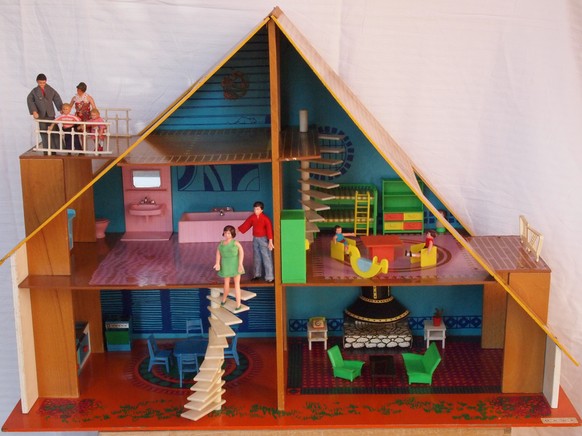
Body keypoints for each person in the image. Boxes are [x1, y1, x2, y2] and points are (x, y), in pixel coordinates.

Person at [238, 201, 274, 283]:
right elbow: (246, 224)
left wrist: (270, 241)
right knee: (256, 257)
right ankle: (257, 274)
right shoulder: (252, 217)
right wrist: (238, 230)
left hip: (263, 239)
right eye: (255, 209)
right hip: (255, 238)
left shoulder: (265, 219)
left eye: (257, 209)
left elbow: (269, 230)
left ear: (262, 210)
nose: (256, 211)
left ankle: (270, 276)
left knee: (266, 257)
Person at [27, 73, 63, 149]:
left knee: (55, 131)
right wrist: (34, 111)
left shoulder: (50, 89)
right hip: (41, 115)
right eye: (40, 83)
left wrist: (60, 108)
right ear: (37, 81)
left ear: (46, 81)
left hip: (50, 114)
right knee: (44, 132)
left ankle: (60, 148)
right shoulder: (34, 91)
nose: (42, 84)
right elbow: (30, 100)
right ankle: (47, 149)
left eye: (43, 82)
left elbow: (56, 97)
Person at [213, 225, 245, 310]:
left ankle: (238, 304)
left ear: (232, 234)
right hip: (225, 264)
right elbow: (218, 253)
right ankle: (224, 298)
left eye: (229, 233)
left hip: (235, 264)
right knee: (226, 283)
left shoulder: (235, 243)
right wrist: (217, 263)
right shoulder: (221, 244)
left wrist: (240, 263)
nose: (227, 235)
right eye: (225, 233)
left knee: (237, 284)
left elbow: (241, 253)